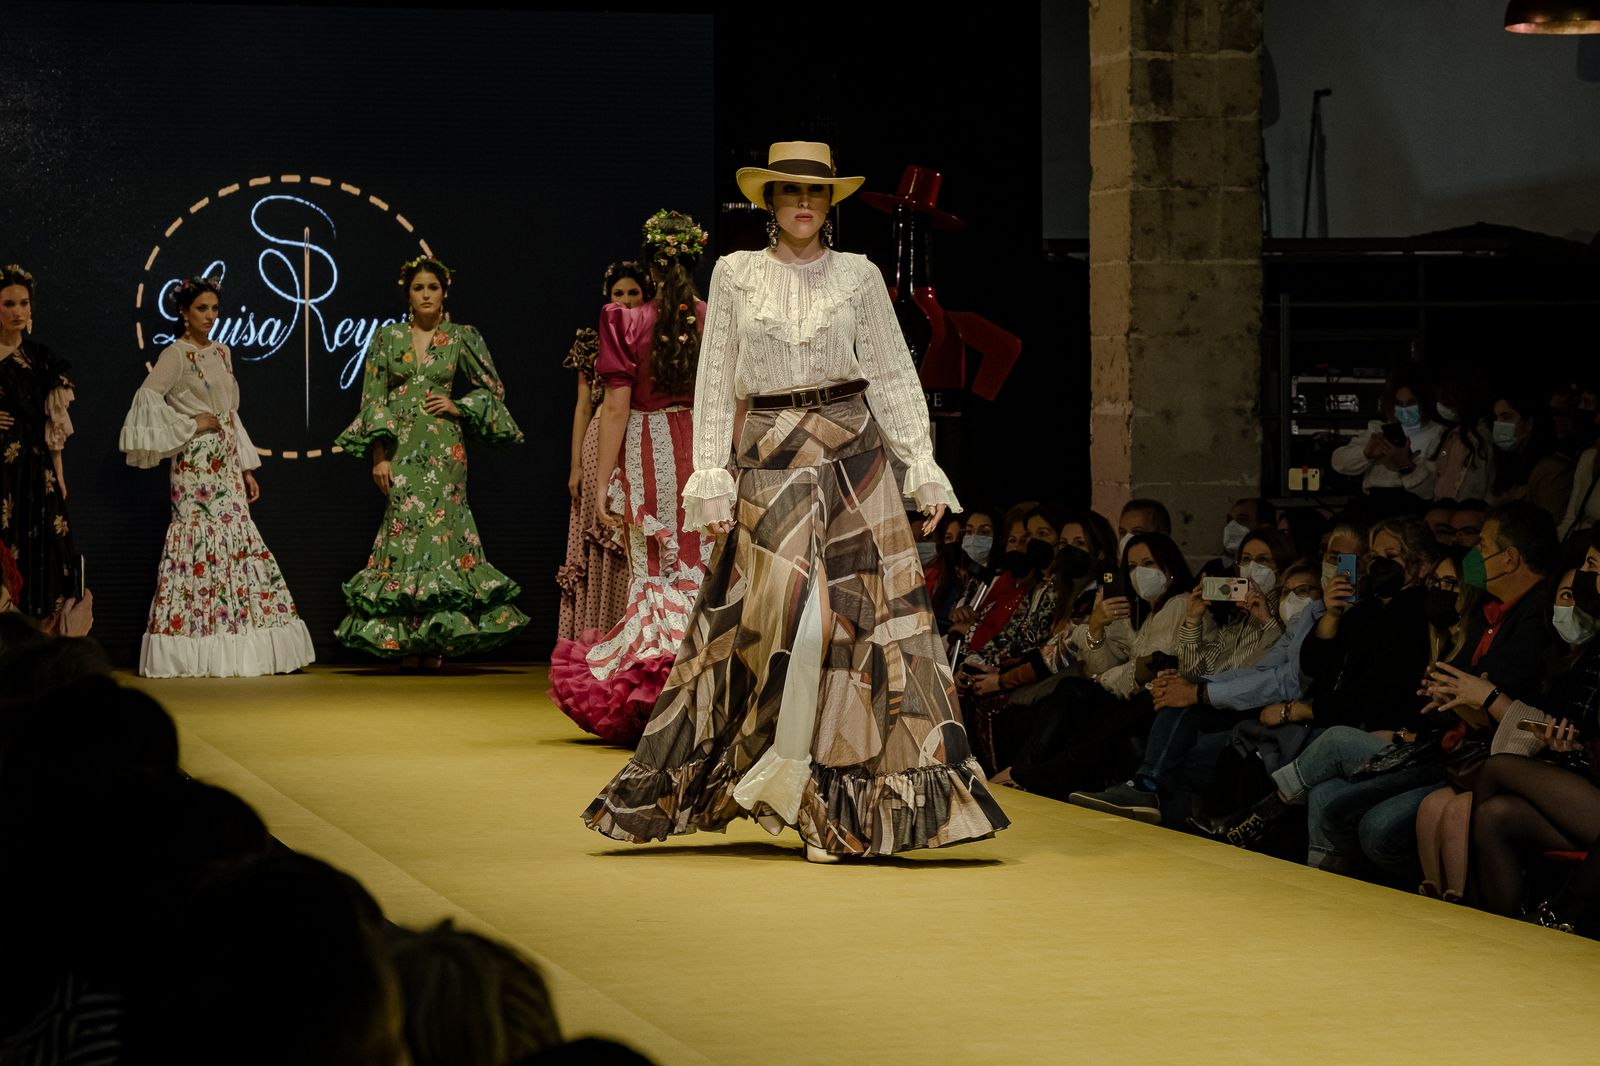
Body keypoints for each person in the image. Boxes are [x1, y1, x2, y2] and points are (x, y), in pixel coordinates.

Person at [583, 141, 1008, 860]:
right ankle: (771, 777)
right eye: (788, 193)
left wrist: (922, 465)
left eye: (815, 193)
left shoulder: (859, 276)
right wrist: (709, 475)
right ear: (770, 202)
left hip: (853, 447)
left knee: (860, 630)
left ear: (830, 204)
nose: (803, 203)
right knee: (772, 624)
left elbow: (893, 375)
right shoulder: (738, 274)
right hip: (772, 449)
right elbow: (716, 380)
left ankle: (830, 799)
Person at [550, 212, 714, 743]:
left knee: (655, 570)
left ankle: (651, 691)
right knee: (700, 565)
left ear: (649, 268)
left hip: (647, 450)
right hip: (702, 452)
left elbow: (616, 407)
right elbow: (728, 400)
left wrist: (599, 484)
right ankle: (701, 689)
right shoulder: (711, 317)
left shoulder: (625, 321)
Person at [335, 257, 528, 667]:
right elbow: (373, 399)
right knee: (404, 535)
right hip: (401, 448)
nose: (426, 294)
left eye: (433, 288)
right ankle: (405, 637)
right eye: (419, 288)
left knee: (442, 532)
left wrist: (458, 406)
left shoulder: (461, 337)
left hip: (444, 450)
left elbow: (493, 389)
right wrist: (379, 456)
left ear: (444, 293)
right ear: (408, 293)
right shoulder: (387, 338)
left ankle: (438, 638)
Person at [118, 276, 314, 677]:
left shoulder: (223, 352)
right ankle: (193, 647)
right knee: (198, 542)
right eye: (201, 309)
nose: (209, 317)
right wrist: (189, 423)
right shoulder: (176, 354)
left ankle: (241, 644)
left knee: (239, 540)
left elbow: (231, 414)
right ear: (183, 313)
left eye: (214, 309)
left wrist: (245, 466)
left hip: (225, 460)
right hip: (194, 464)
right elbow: (146, 399)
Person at [556, 262, 652, 643]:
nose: (626, 300)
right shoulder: (594, 340)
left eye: (633, 293)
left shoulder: (654, 336)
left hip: (641, 434)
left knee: (631, 536)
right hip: (601, 438)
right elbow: (582, 406)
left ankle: (632, 632)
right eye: (618, 294)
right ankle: (593, 635)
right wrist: (576, 464)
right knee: (599, 533)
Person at [0, 263, 88, 633]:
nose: (18, 311)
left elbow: (53, 426)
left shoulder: (43, 360)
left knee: (43, 554)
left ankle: (37, 647)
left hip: (36, 472)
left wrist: (61, 475)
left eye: (23, 303)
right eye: (8, 303)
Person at [1331, 369, 1446, 499]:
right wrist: (1366, 454)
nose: (1404, 410)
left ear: (1424, 403)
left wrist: (1405, 464)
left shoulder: (1440, 434)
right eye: (1398, 404)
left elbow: (1435, 488)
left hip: (1413, 503)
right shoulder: (1379, 430)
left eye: (1411, 403)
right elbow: (1338, 462)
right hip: (1374, 501)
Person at [1488, 391, 1573, 524]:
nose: (1499, 424)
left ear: (1529, 423)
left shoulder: (1553, 469)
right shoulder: (1510, 464)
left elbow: (1548, 525)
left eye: (1506, 417)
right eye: (1496, 418)